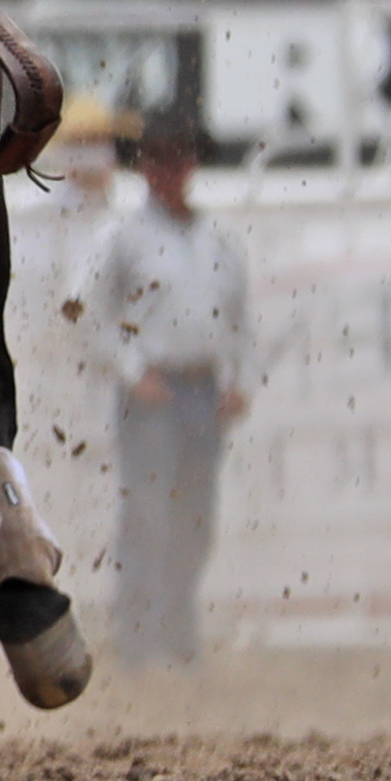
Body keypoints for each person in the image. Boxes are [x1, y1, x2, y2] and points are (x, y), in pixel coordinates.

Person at [82, 111, 254, 665]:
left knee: (194, 518)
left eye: (177, 156)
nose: (169, 168)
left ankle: (177, 636)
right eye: (157, 157)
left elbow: (240, 316)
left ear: (191, 163)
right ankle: (137, 640)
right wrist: (133, 370)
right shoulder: (123, 235)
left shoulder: (219, 238)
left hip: (203, 389)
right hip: (154, 392)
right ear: (145, 166)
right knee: (148, 517)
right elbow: (87, 310)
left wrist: (239, 379)